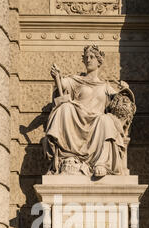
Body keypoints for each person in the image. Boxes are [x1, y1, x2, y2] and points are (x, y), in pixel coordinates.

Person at [42, 44, 136, 176]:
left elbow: (123, 103)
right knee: (65, 107)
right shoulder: (77, 81)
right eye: (86, 57)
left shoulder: (106, 86)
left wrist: (124, 90)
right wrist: (57, 75)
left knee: (106, 120)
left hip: (97, 122)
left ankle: (101, 163)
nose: (88, 60)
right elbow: (62, 84)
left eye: (92, 57)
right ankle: (70, 157)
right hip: (77, 118)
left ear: (99, 61)